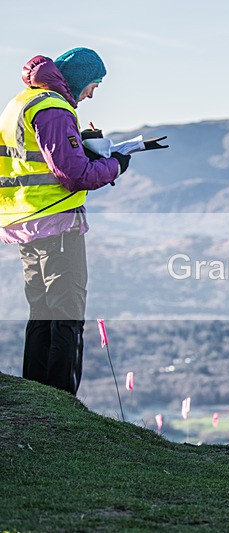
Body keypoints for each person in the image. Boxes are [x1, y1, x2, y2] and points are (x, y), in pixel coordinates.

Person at [0, 48, 130, 395]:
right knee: (68, 315)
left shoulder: (21, 103)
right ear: (78, 79)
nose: (91, 93)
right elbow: (74, 176)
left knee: (41, 314)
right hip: (56, 222)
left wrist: (81, 147)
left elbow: (37, 161)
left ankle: (36, 395)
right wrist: (116, 164)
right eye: (93, 85)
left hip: (25, 223)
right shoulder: (54, 108)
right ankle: (63, 399)